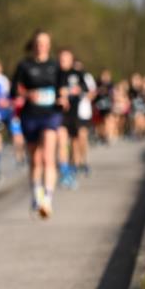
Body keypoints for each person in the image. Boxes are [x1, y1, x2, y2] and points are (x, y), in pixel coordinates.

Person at [11, 29, 66, 219]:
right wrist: (27, 94)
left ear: (49, 45)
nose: (41, 46)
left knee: (48, 157)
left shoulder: (55, 66)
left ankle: (48, 200)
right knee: (34, 159)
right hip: (30, 115)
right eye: (38, 42)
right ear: (33, 44)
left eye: (44, 42)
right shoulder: (24, 65)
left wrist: (62, 99)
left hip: (50, 115)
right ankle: (36, 193)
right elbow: (14, 91)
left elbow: (62, 90)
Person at [57, 48, 83, 190]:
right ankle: (64, 172)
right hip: (60, 114)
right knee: (62, 141)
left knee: (74, 143)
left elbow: (88, 89)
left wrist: (76, 90)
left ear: (71, 59)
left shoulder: (77, 73)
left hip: (74, 113)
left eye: (66, 58)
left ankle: (73, 167)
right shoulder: (54, 73)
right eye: (61, 58)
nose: (63, 61)